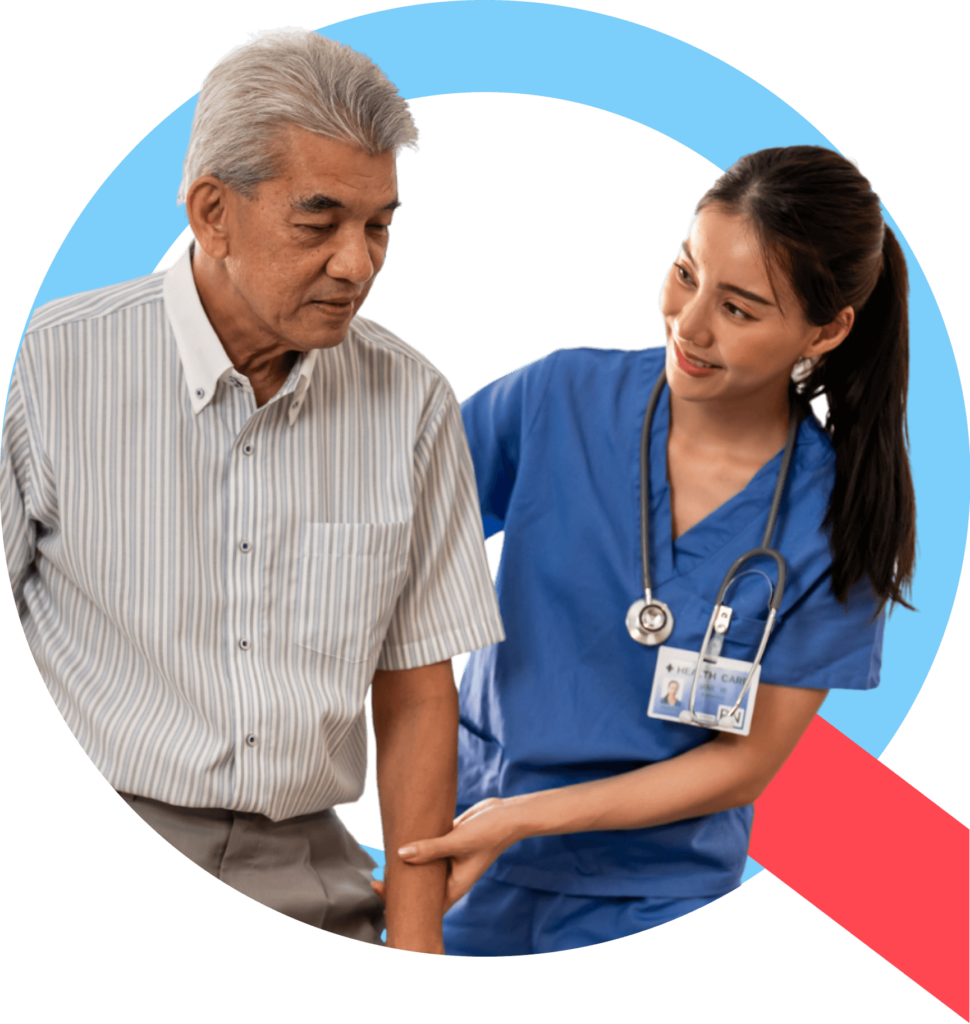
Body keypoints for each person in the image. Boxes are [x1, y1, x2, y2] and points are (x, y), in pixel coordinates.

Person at [0, 27, 505, 956]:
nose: (359, 264)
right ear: (212, 213)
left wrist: (418, 941)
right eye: (319, 223)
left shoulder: (413, 400)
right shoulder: (48, 364)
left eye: (380, 224)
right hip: (81, 844)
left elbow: (417, 692)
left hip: (308, 873)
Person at [377, 145, 916, 956]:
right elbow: (388, 546)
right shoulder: (557, 397)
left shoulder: (842, 519)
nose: (688, 325)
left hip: (663, 898)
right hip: (470, 857)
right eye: (685, 272)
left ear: (827, 328)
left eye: (739, 308)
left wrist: (523, 816)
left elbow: (745, 763)